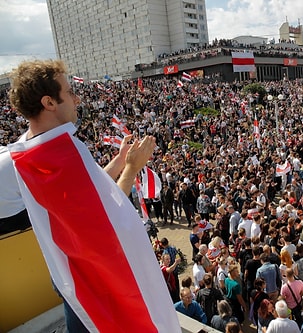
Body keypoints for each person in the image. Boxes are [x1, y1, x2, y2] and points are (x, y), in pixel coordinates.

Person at [4, 60, 178, 332]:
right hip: (89, 281)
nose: (77, 98)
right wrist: (132, 168)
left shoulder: (26, 151)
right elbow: (109, 225)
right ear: (49, 102)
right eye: (69, 91)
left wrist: (120, 161)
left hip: (67, 271)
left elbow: (89, 195)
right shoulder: (63, 156)